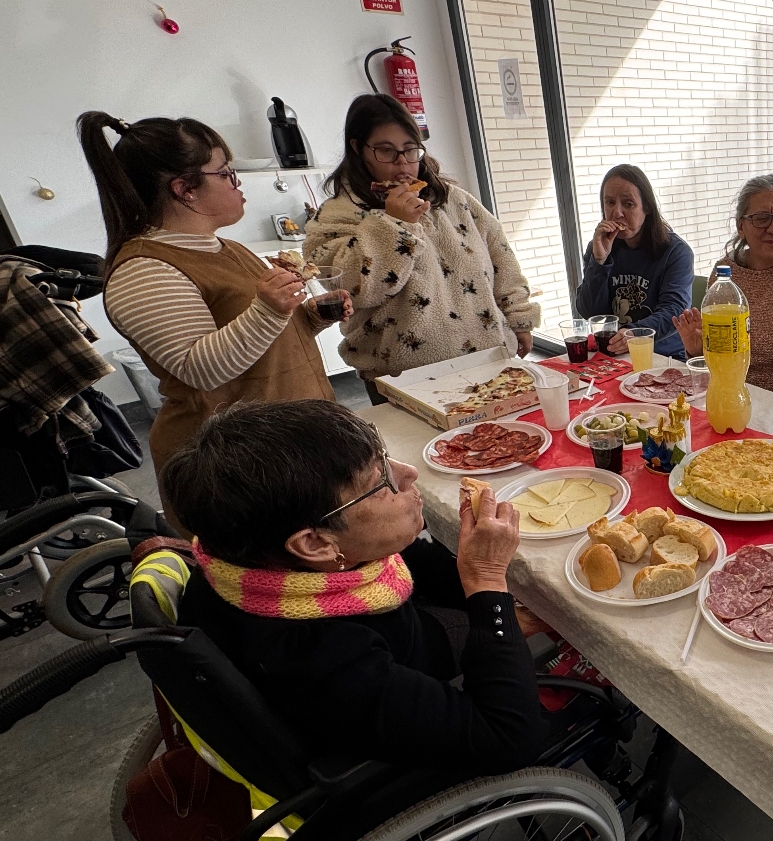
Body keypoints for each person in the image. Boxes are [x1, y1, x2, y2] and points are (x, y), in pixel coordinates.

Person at [163, 399, 549, 776]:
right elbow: (508, 739)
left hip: (408, 640)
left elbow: (402, 553)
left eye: (385, 458)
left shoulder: (255, 557)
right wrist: (486, 582)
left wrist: (501, 602)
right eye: (379, 482)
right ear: (314, 543)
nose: (408, 473)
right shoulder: (316, 660)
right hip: (404, 728)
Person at [81, 112, 347, 523]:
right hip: (237, 465)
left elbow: (262, 339)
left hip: (292, 441)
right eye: (225, 173)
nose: (237, 183)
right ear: (185, 189)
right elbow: (199, 369)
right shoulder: (144, 270)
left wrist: (309, 316)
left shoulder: (226, 248)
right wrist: (269, 309)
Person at [305, 95, 539, 402]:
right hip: (400, 378)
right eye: (386, 150)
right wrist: (395, 224)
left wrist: (520, 319)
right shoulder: (337, 215)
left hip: (487, 359)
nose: (402, 162)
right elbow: (356, 290)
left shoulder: (453, 200)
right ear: (359, 149)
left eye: (410, 149)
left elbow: (502, 260)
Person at [670, 174, 773, 406]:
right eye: (762, 219)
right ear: (741, 226)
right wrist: (698, 352)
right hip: (731, 396)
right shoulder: (725, 273)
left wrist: (766, 412)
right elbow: (722, 357)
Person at [575, 164, 693, 361]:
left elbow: (674, 311)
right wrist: (599, 262)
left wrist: (633, 333)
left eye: (628, 204)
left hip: (663, 355)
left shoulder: (676, 251)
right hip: (615, 353)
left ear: (647, 207)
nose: (617, 213)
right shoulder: (600, 246)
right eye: (609, 202)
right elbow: (589, 311)